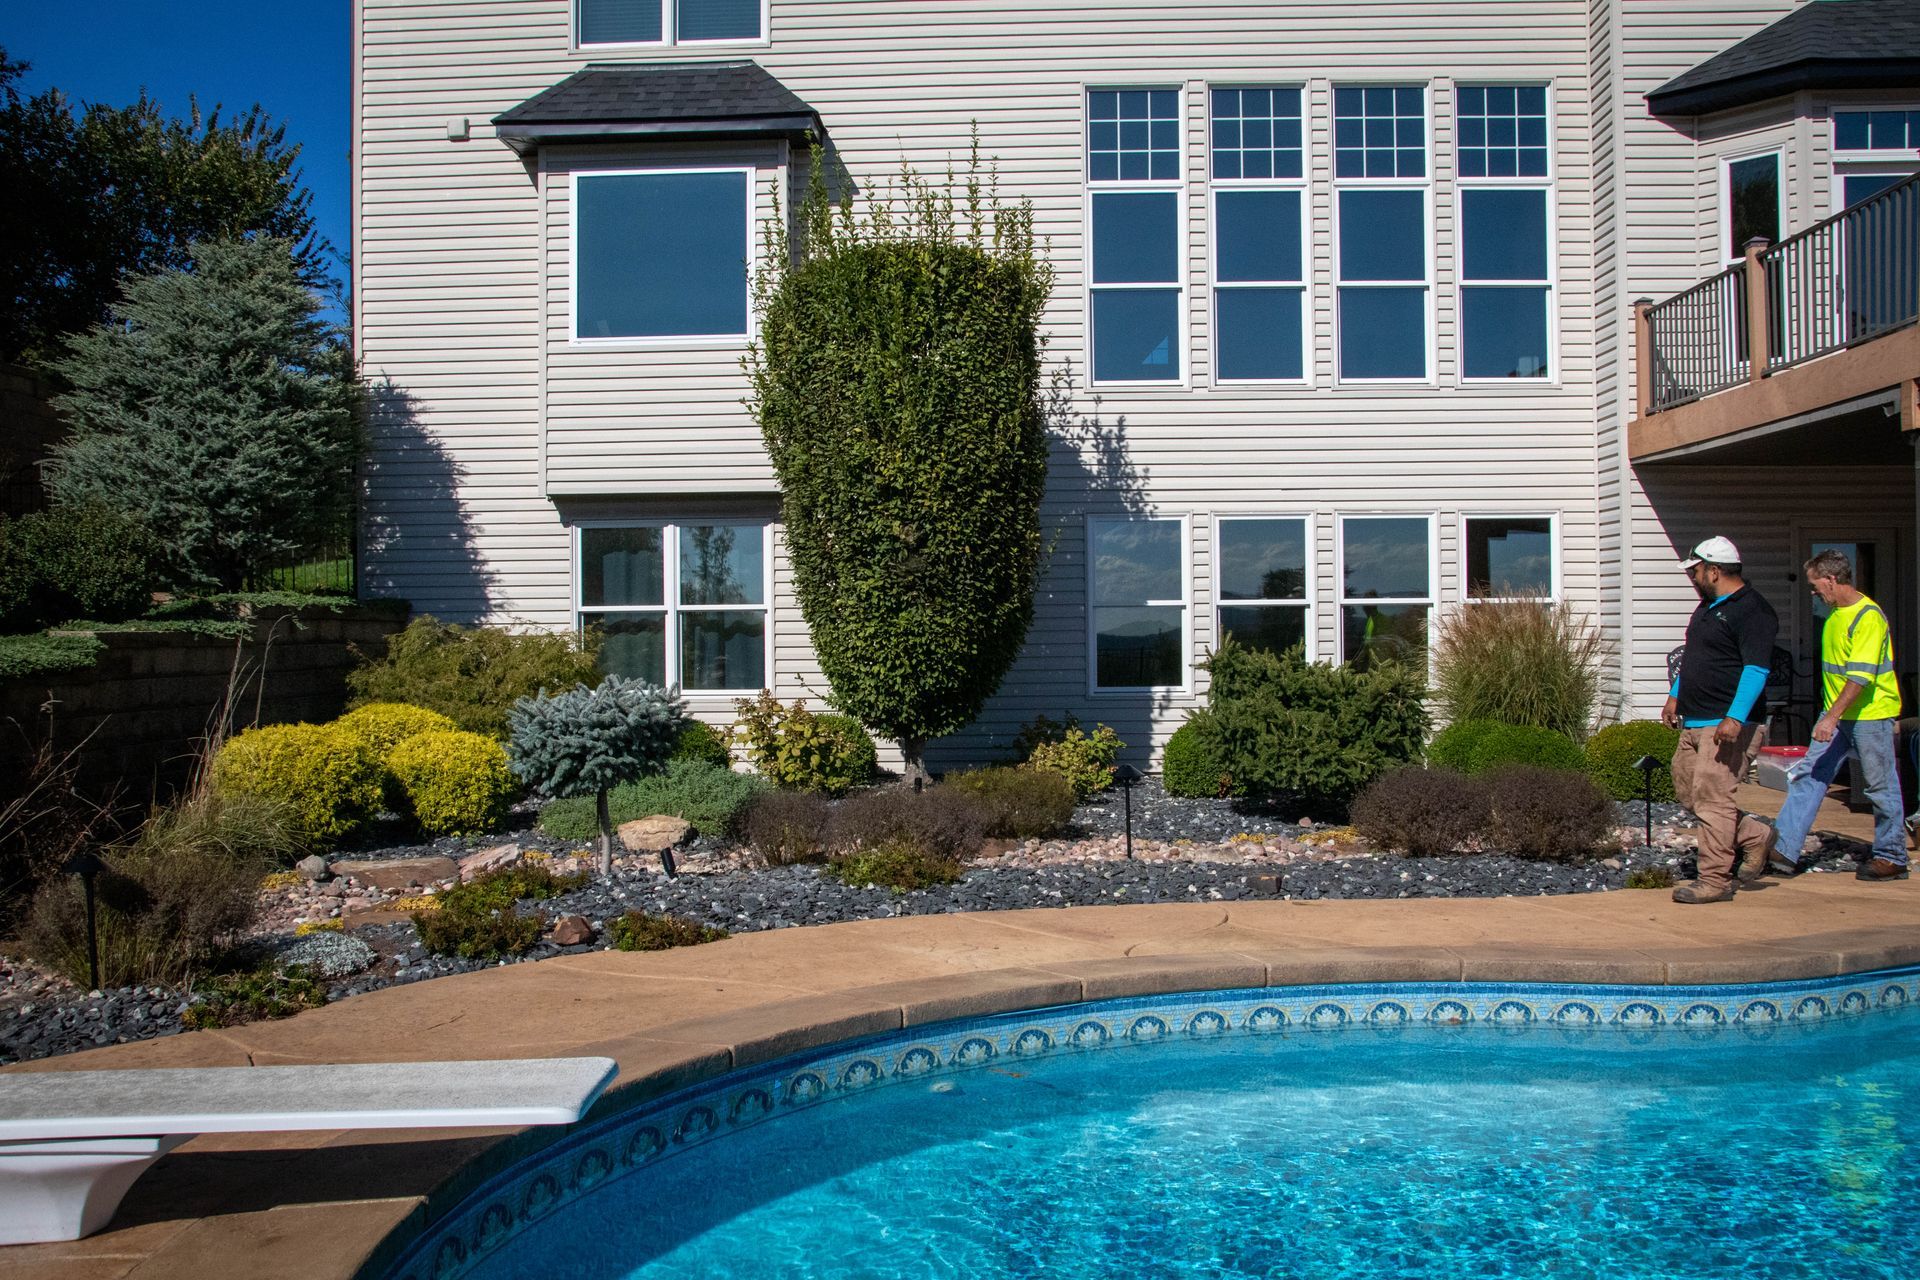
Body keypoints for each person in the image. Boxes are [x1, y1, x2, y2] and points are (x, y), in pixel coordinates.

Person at [1766, 548, 1907, 881]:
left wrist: (1830, 718)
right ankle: (1783, 850)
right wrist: (1831, 716)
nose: (1814, 593)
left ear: (1831, 579)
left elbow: (1859, 677)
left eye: (1816, 586)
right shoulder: (1834, 617)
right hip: (1837, 716)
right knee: (1809, 777)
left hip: (1870, 716)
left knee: (1879, 787)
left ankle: (1892, 856)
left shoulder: (1867, 617)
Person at [1662, 536, 1778, 903]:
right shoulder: (1708, 607)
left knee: (1712, 800)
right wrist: (1675, 695)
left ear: (1714, 570)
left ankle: (1714, 880)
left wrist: (1735, 717)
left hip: (1726, 724)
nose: (1691, 577)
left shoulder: (1753, 611)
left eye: (1695, 571)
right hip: (1693, 720)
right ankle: (1755, 836)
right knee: (1689, 794)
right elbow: (1697, 656)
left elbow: (1756, 669)